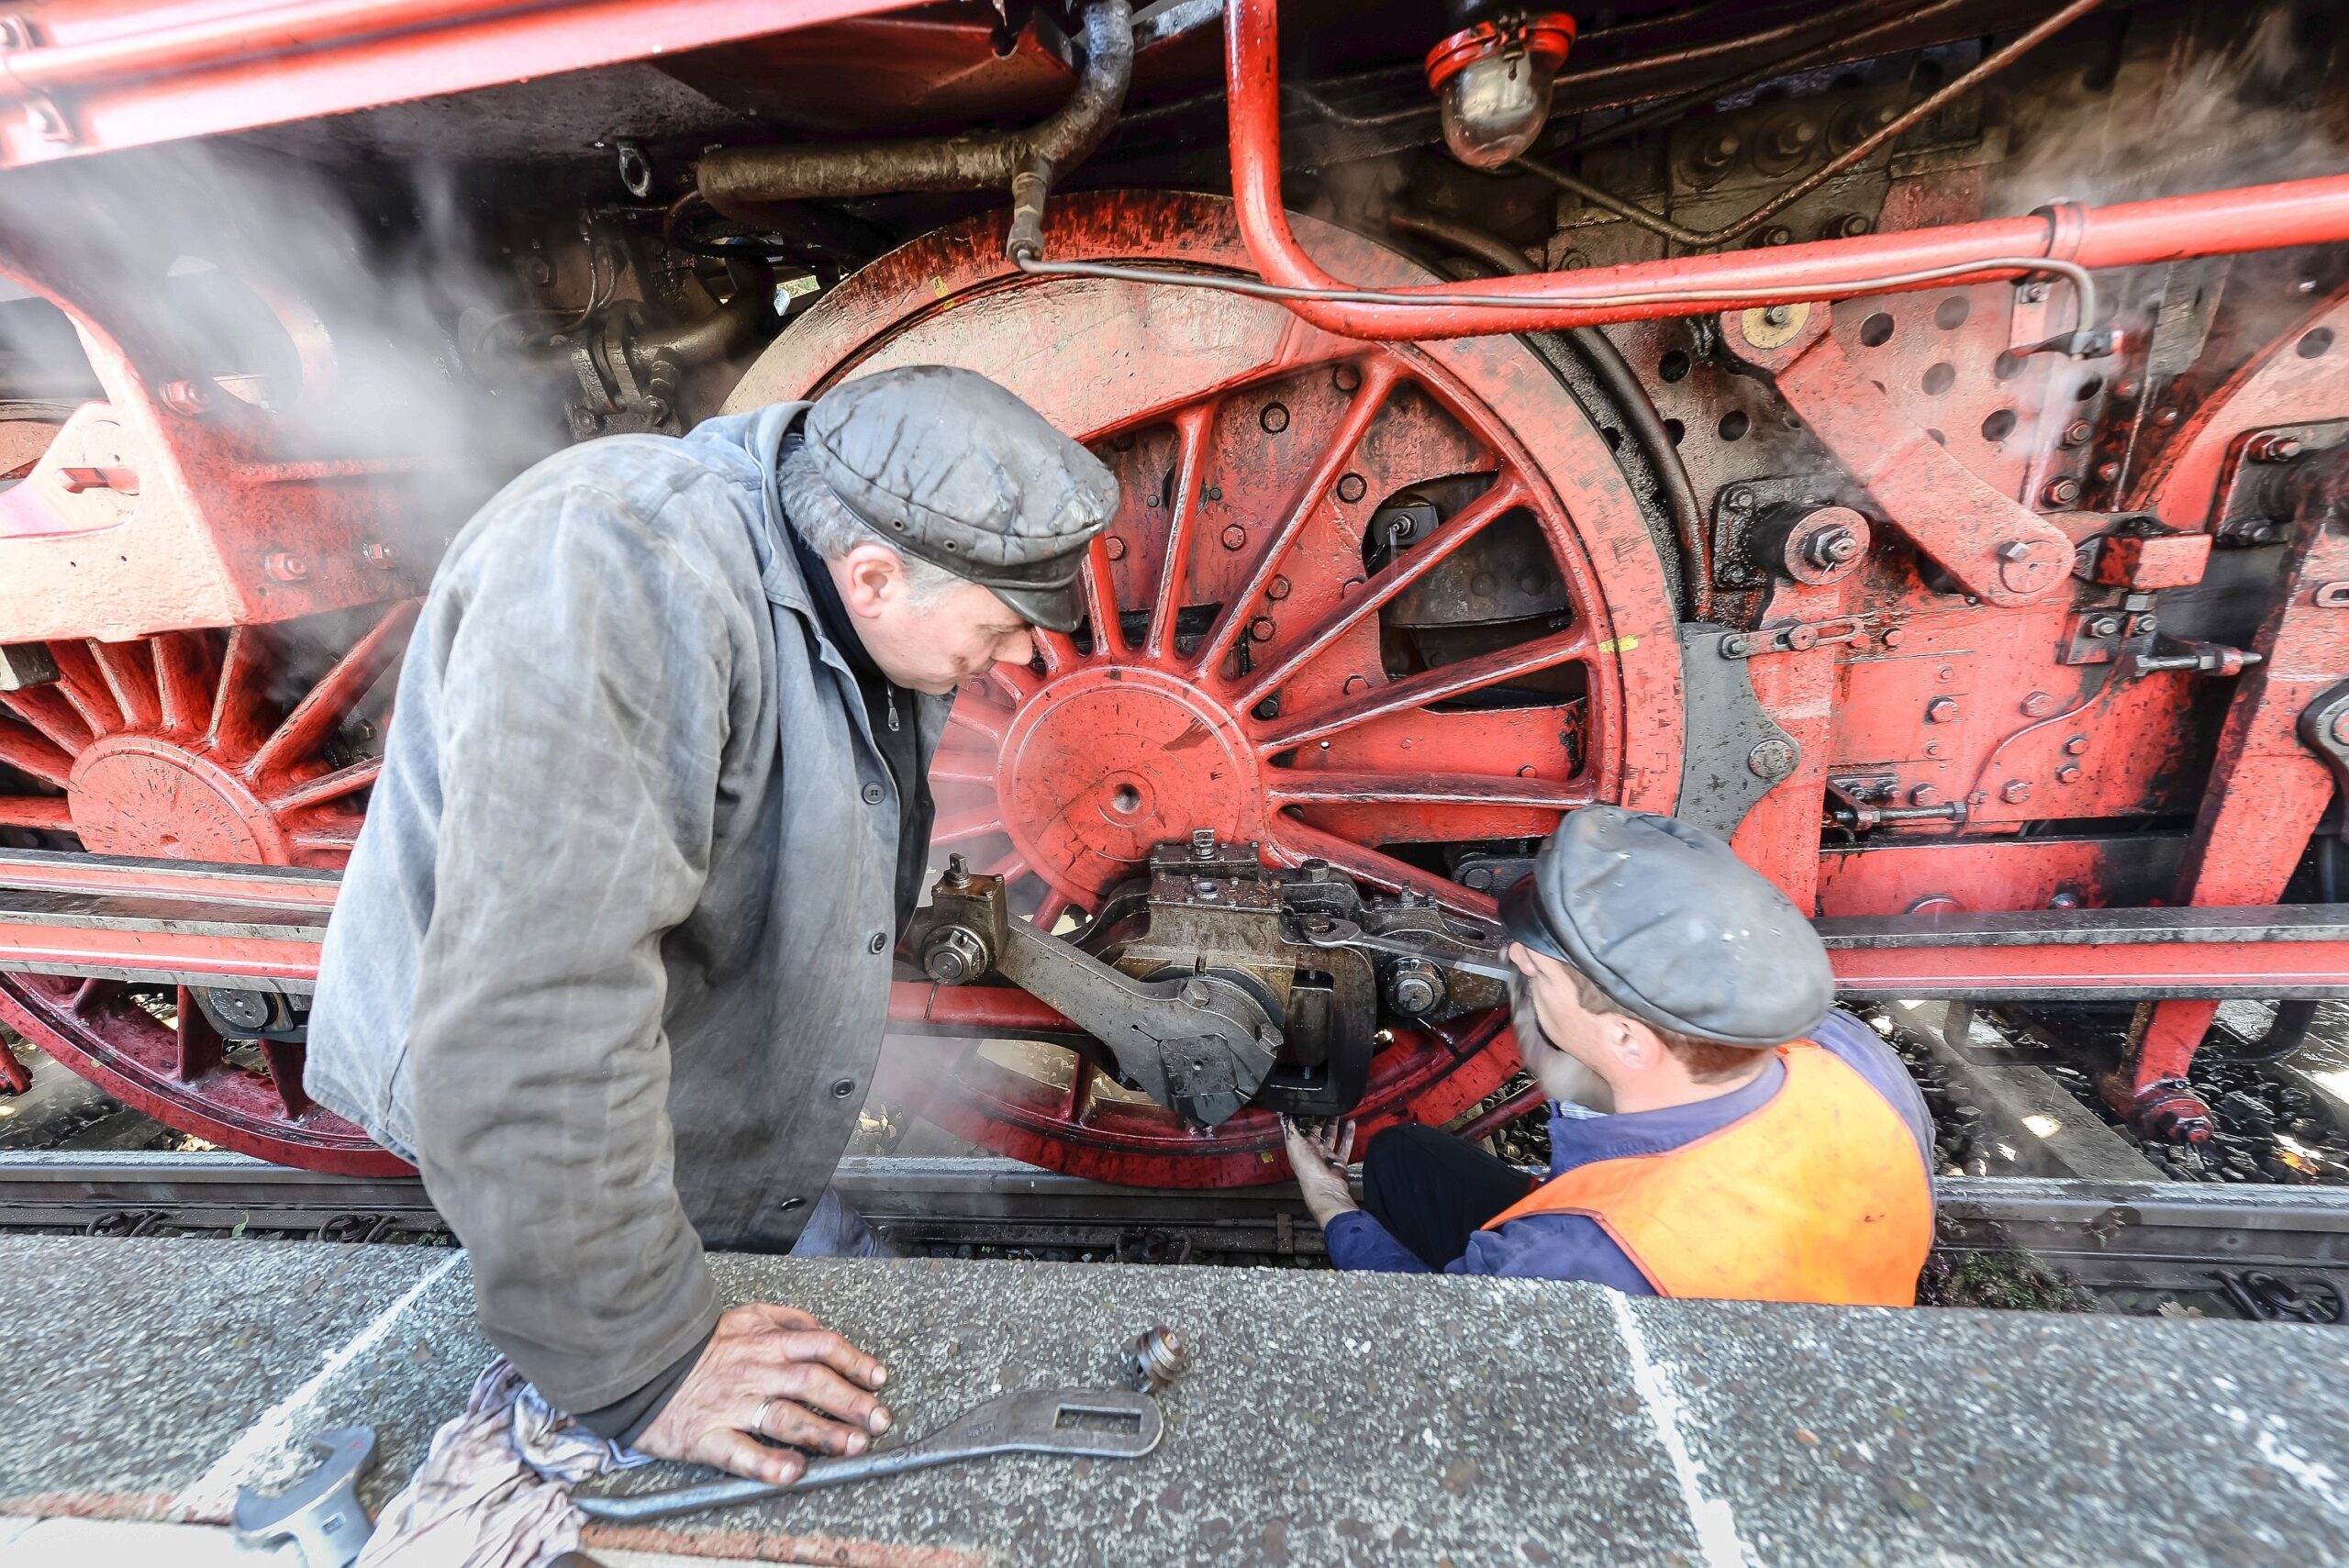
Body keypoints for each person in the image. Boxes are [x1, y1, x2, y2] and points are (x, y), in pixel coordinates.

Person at [305, 365, 1118, 1483]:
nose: (1022, 657)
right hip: (556, 1077)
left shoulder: (833, 567)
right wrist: (640, 1363)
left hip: (686, 1064)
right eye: (1001, 626)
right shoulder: (616, 570)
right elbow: (541, 998)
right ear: (874, 574)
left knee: (838, 1289)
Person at [1281, 806, 1935, 1305]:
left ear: (1629, 1039)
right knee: (1404, 1158)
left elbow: (1434, 1329)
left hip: (1685, 1373)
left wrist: (1330, 1203)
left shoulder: (1576, 1263)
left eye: (1538, 971)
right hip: (1794, 1281)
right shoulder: (1848, 1054)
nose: (1513, 959)